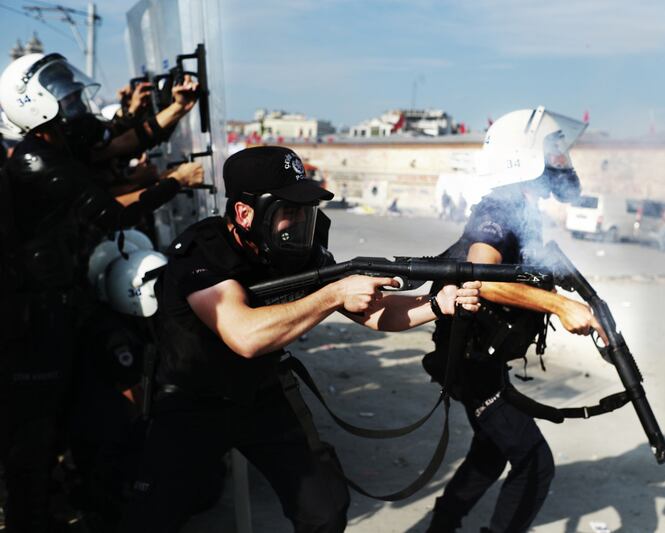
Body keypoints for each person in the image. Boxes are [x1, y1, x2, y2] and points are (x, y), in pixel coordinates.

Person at [119, 146, 481, 533]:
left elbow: (375, 312)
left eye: (306, 211)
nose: (301, 222)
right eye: (289, 211)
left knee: (324, 508)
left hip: (261, 393)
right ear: (246, 213)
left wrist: (437, 304)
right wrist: (332, 294)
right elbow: (245, 335)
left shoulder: (301, 255)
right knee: (154, 516)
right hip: (191, 402)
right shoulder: (203, 252)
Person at [0, 52, 202, 533]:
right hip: (32, 320)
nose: (74, 102)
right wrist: (174, 182)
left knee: (66, 420)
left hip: (59, 307)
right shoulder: (38, 162)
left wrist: (175, 111)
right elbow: (111, 213)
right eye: (63, 95)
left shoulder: (59, 146)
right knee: (32, 438)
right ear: (35, 105)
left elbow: (117, 143)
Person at [423, 108, 609, 533]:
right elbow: (480, 278)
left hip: (483, 358)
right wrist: (559, 306)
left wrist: (567, 298)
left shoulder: (525, 210)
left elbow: (521, 276)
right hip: (471, 363)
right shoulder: (499, 209)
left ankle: (441, 527)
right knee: (534, 463)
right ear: (525, 157)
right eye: (554, 151)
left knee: (490, 452)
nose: (562, 160)